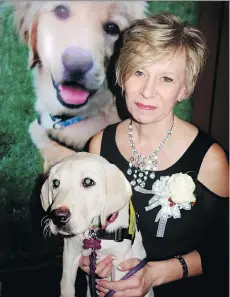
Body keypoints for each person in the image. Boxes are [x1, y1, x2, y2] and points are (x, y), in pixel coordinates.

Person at [80, 12, 229, 297]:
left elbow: (223, 250)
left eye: (166, 78)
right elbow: (90, 225)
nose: (147, 91)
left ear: (184, 89)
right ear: (123, 74)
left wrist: (155, 274)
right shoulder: (99, 146)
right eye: (139, 72)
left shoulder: (211, 161)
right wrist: (87, 254)